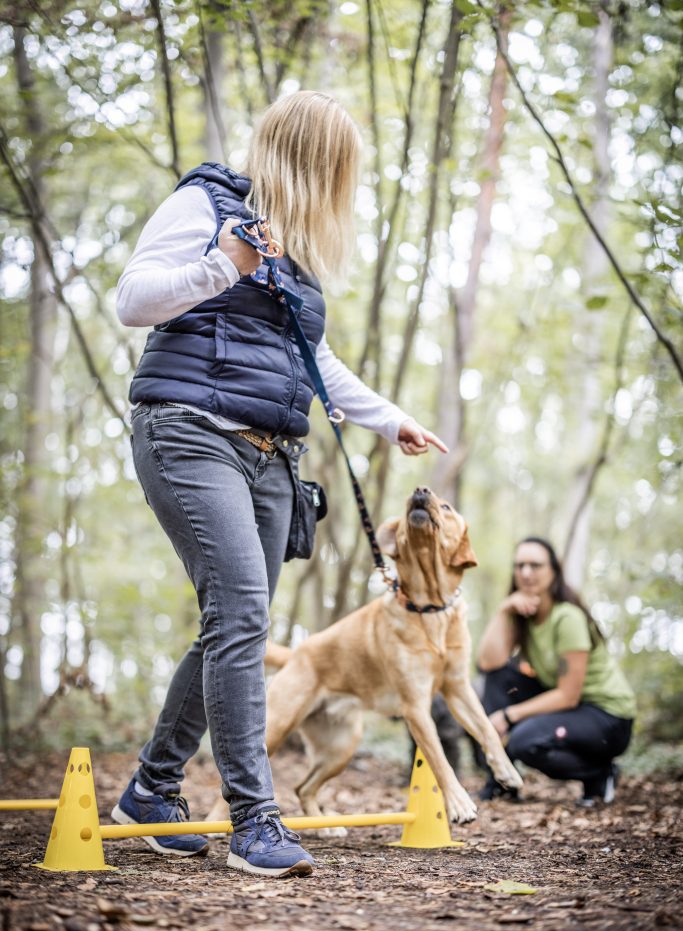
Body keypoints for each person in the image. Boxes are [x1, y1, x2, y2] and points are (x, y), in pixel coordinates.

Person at [113, 91, 446, 878]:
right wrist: (221, 264)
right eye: (336, 168)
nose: (339, 186)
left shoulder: (291, 248)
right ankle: (255, 821)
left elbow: (309, 357)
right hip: (188, 432)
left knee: (238, 624)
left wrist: (384, 417)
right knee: (239, 618)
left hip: (271, 456)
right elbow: (133, 300)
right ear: (306, 157)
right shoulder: (206, 202)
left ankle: (152, 793)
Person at [476, 537, 636, 807]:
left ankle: (600, 773)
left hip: (608, 717)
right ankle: (501, 781)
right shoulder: (524, 617)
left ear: (554, 570)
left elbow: (568, 696)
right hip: (571, 708)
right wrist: (504, 610)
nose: (526, 573)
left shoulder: (567, 617)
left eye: (535, 565)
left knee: (524, 741)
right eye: (520, 566)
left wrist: (508, 715)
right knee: (498, 679)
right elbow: (488, 663)